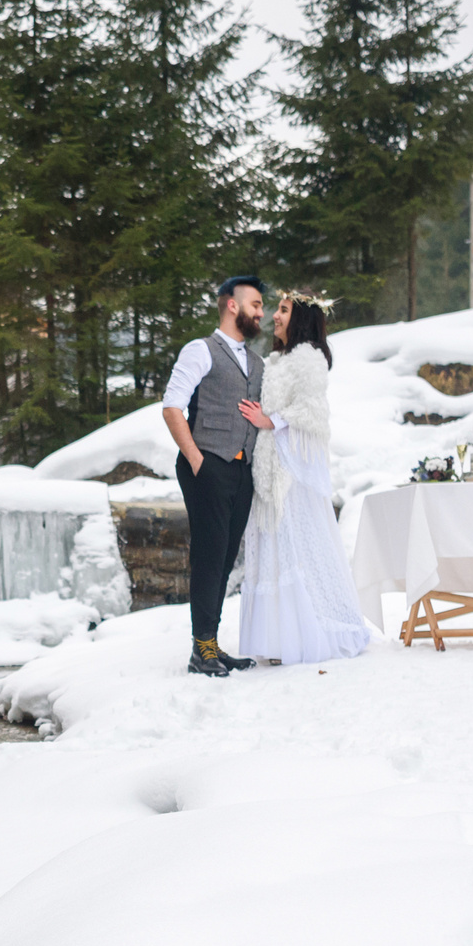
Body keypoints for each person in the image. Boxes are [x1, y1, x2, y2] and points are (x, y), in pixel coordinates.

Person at [234, 295, 373, 664]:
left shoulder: (309, 357)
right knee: (275, 549)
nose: (274, 318)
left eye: (282, 311)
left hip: (290, 471)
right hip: (268, 464)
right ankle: (280, 638)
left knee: (295, 546)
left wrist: (271, 421)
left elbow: (313, 412)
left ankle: (309, 631)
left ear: (300, 320)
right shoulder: (277, 360)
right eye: (276, 310)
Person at [159, 276, 268, 676]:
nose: (262, 312)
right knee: (208, 554)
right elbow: (172, 406)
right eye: (255, 304)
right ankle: (200, 649)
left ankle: (212, 645)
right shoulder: (200, 350)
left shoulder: (256, 362)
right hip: (207, 464)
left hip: (242, 470)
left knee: (223, 558)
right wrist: (197, 460)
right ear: (231, 305)